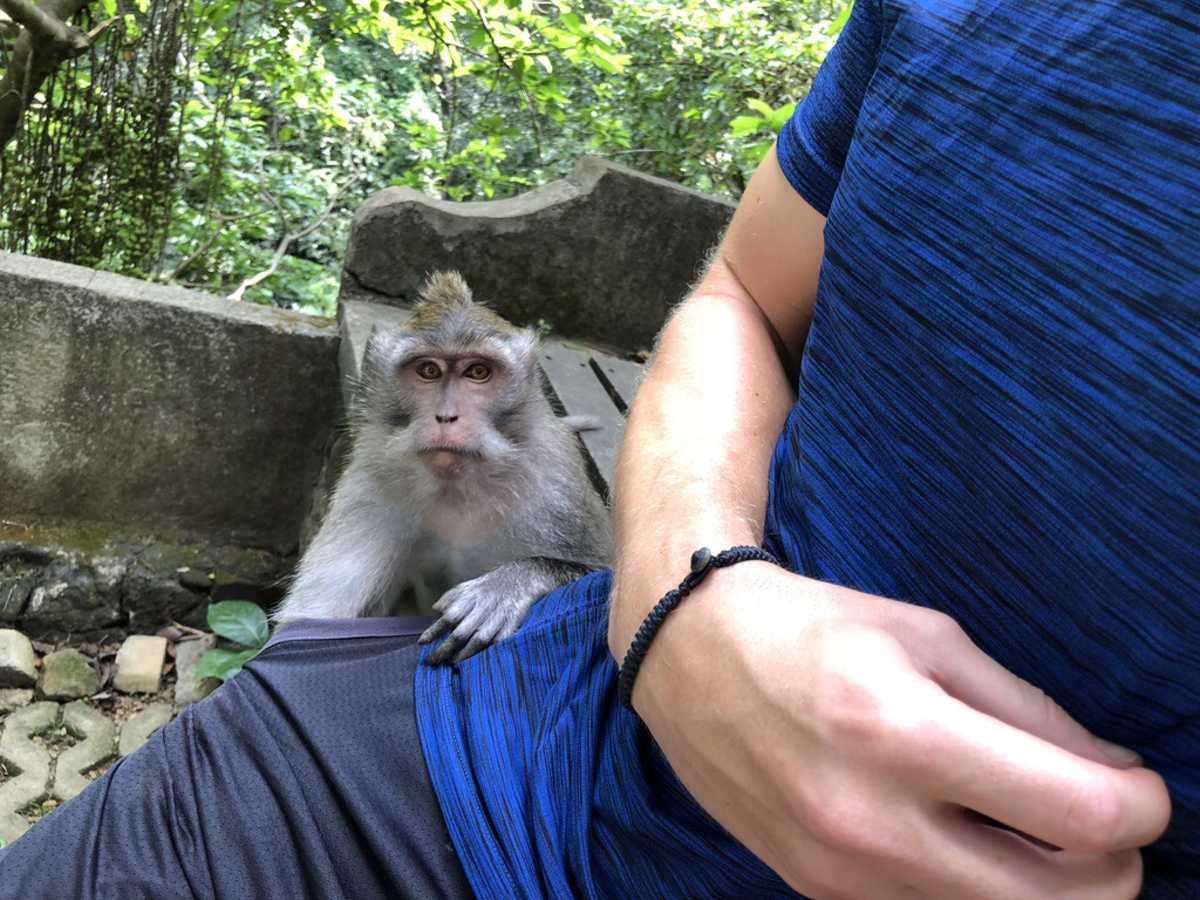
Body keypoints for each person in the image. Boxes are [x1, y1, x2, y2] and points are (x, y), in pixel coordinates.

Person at [1, 1, 1195, 897]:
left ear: (516, 381)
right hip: (503, 745)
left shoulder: (541, 467)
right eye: (429, 381)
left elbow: (567, 554)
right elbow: (738, 290)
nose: (452, 416)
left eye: (475, 380)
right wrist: (682, 600)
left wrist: (568, 580)